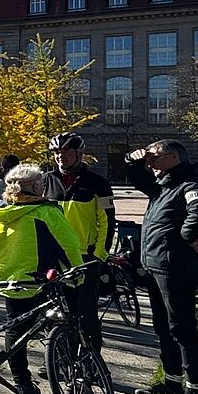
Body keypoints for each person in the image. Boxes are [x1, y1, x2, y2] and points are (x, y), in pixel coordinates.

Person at [125, 140, 198, 394]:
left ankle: (195, 393)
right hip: (156, 266)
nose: (149, 163)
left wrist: (190, 237)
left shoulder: (191, 185)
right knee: (164, 328)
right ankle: (172, 382)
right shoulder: (163, 186)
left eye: (154, 158)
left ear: (174, 157)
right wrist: (133, 159)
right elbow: (137, 177)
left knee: (182, 328)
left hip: (176, 268)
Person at [0, 163, 85, 394]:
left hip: (9, 279)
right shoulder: (46, 211)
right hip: (42, 279)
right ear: (34, 186)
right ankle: (72, 382)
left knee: (16, 329)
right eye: (41, 182)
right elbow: (68, 246)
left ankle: (22, 384)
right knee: (60, 327)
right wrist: (76, 274)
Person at [42, 133, 113, 353]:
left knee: (85, 314)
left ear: (79, 154)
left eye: (66, 152)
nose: (60, 157)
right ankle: (58, 358)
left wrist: (100, 255)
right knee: (55, 313)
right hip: (53, 259)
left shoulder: (97, 183)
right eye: (56, 153)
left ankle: (91, 361)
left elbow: (107, 221)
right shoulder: (44, 181)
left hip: (84, 258)